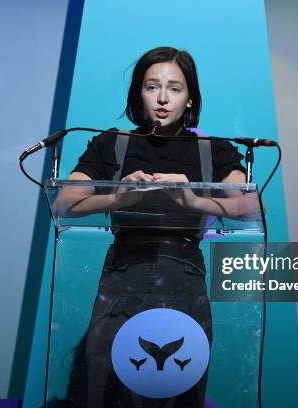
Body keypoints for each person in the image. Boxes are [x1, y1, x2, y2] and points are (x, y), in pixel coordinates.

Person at [55, 46, 258, 407]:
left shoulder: (211, 149)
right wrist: (119, 199)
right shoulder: (112, 144)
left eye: (175, 89)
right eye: (152, 87)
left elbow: (249, 206)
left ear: (190, 98)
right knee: (109, 392)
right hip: (121, 278)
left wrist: (192, 201)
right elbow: (64, 203)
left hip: (184, 276)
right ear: (139, 94)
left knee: (179, 391)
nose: (163, 98)